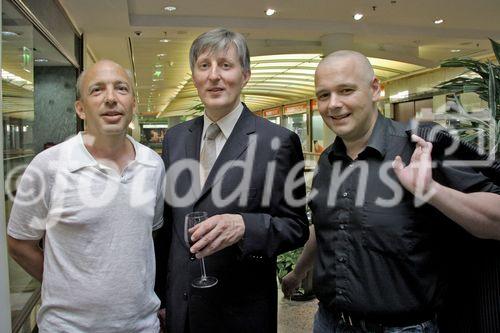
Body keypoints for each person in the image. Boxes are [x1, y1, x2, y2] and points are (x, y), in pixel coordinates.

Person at [281, 50, 500, 333]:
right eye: (323, 95)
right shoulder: (328, 161)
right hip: (329, 323)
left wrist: (432, 191)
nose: (333, 104)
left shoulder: (419, 148)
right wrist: (298, 273)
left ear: (375, 90)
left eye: (346, 90)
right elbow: (327, 225)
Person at [155, 28, 309, 333]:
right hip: (180, 309)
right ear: (194, 76)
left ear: (245, 75)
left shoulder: (277, 141)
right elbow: (169, 225)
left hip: (240, 312)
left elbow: (295, 227)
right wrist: (161, 296)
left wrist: (244, 227)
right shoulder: (175, 139)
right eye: (204, 66)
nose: (214, 76)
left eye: (226, 65)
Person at [7, 60, 165, 332]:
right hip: (67, 327)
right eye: (97, 90)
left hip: (141, 325)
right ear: (80, 109)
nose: (111, 98)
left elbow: (147, 234)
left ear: (133, 105)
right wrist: (64, 285)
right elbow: (19, 244)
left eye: (121, 89)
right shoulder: (49, 166)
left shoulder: (153, 164)